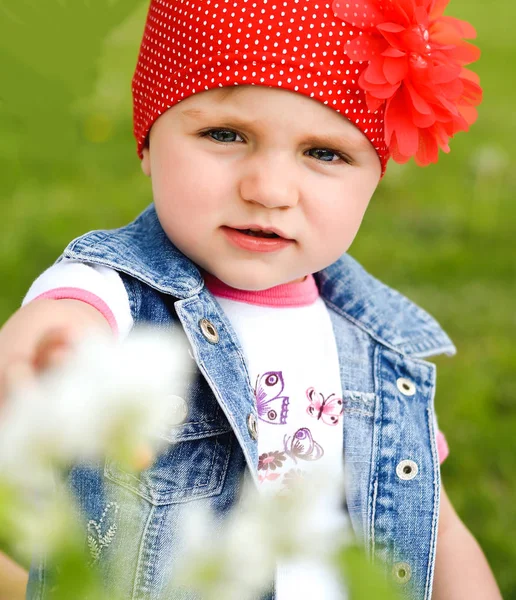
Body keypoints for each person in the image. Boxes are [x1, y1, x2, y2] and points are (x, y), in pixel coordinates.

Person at [0, 0, 503, 598]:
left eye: (324, 153)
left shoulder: (377, 348)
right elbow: (70, 313)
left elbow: (433, 525)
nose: (267, 189)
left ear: (375, 177)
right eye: (225, 134)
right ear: (147, 143)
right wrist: (47, 343)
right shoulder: (120, 291)